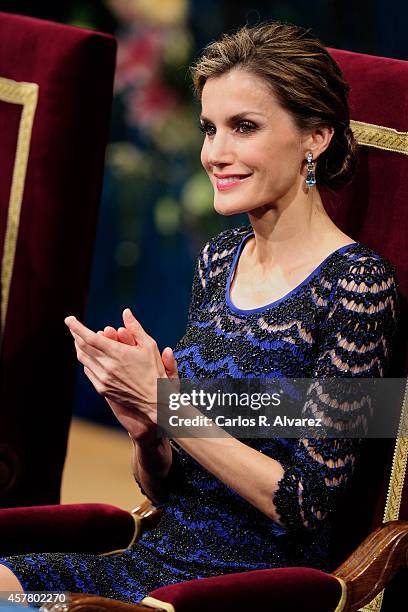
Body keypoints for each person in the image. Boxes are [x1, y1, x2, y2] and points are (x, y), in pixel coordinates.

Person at [0, 21, 399, 604]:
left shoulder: (360, 286)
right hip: (155, 559)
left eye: (244, 128)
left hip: (243, 587)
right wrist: (146, 427)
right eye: (210, 129)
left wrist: (169, 404)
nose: (216, 153)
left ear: (315, 136)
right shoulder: (220, 258)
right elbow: (167, 491)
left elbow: (307, 503)